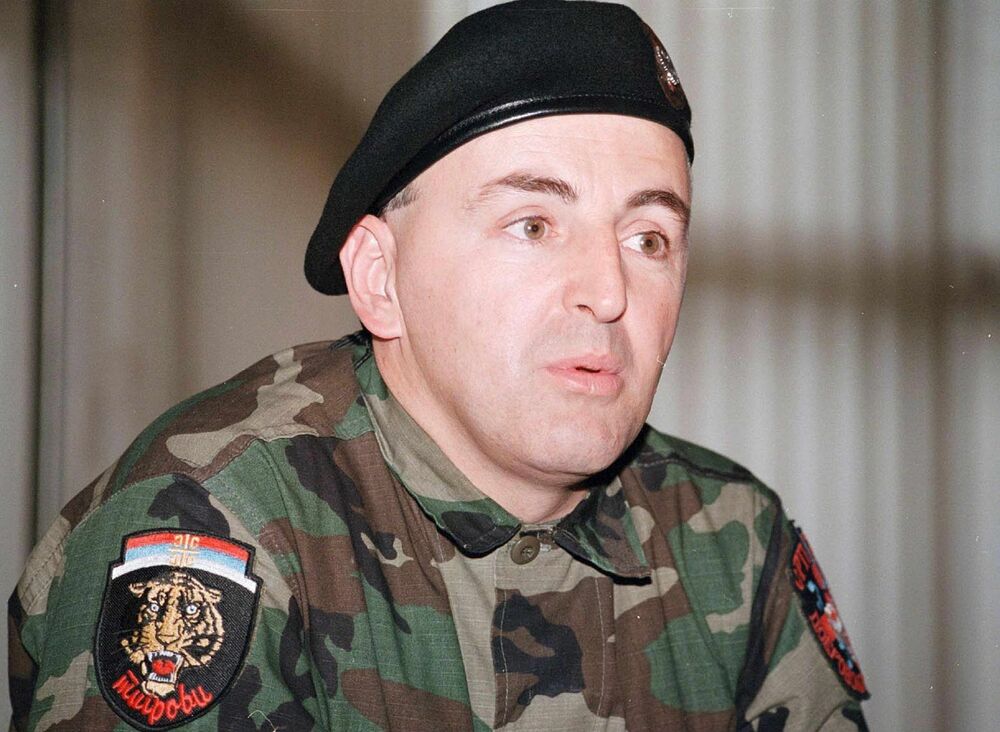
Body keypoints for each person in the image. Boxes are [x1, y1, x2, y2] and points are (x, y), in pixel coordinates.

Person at [8, 1, 870, 730]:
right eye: (533, 226)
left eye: (649, 239)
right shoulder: (219, 521)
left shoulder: (733, 538)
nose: (610, 292)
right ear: (381, 281)